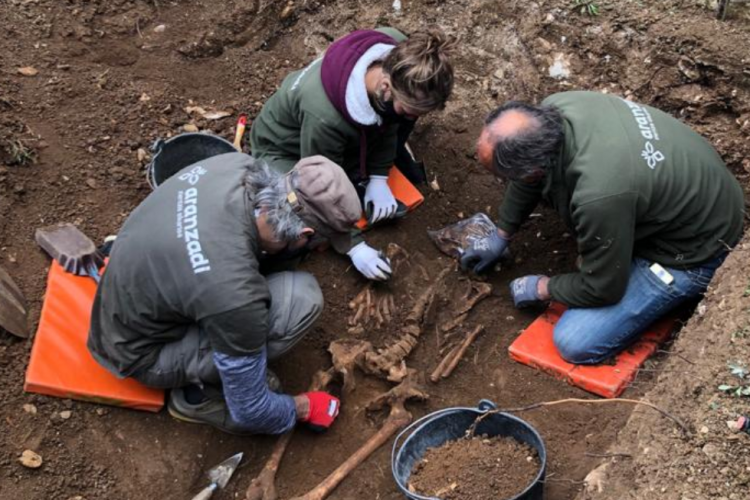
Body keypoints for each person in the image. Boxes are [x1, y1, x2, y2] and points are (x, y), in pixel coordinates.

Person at [88, 153, 362, 435]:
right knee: (302, 298)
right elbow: (251, 411)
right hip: (138, 352)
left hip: (129, 294)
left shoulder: (236, 164)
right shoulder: (235, 293)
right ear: (304, 231)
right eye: (318, 240)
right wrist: (300, 408)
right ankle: (198, 398)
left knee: (260, 278)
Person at [466, 91, 744, 364]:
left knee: (575, 341)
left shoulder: (598, 197)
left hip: (695, 251)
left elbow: (602, 288)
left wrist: (543, 287)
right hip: (693, 192)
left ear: (534, 170)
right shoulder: (556, 109)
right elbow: (527, 178)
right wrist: (502, 232)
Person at [250, 27, 454, 281]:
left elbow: (387, 122)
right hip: (283, 149)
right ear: (386, 86)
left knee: (394, 122)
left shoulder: (401, 52)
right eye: (409, 108)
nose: (413, 118)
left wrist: (378, 177)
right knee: (297, 214)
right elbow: (318, 190)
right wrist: (354, 246)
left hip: (335, 135)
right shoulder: (325, 118)